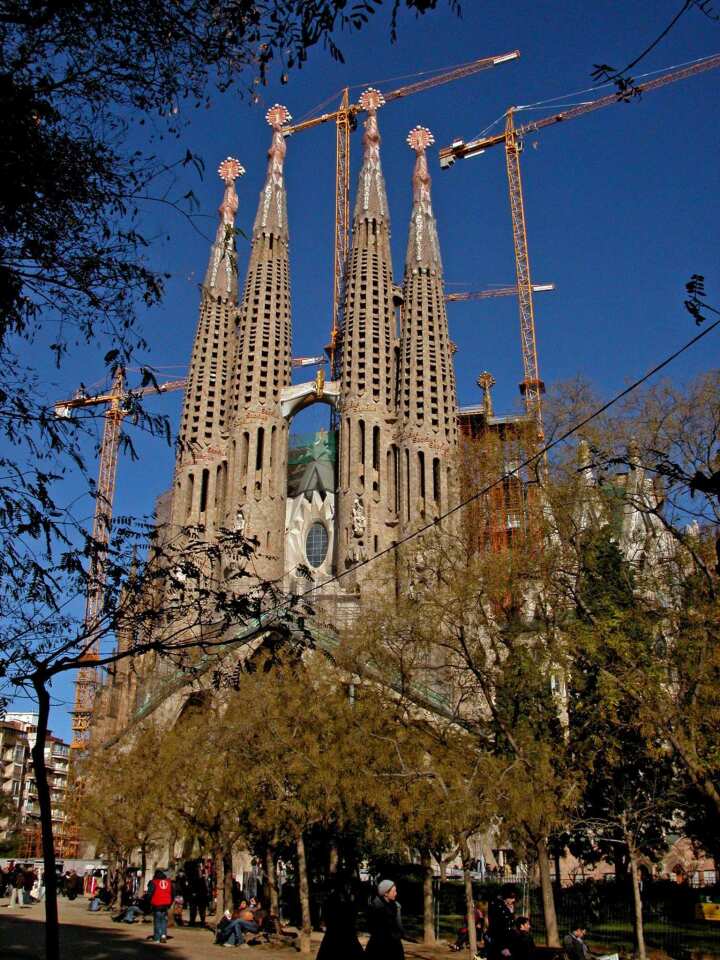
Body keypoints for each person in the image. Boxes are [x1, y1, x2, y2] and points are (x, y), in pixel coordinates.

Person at [316, 873, 364, 960]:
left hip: (341, 936)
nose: (349, 888)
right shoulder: (336, 899)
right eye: (348, 885)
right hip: (339, 936)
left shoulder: (341, 899)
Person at [365, 879, 404, 960]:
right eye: (394, 891)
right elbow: (371, 927)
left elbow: (399, 927)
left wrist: (399, 934)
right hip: (378, 948)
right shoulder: (375, 908)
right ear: (386, 893)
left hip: (396, 947)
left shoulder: (397, 907)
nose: (396, 894)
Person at [487, 884, 519, 960]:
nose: (513, 900)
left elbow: (510, 924)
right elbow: (495, 928)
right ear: (505, 896)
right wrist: (502, 947)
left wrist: (511, 912)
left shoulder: (507, 906)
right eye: (511, 897)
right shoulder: (496, 906)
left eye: (514, 897)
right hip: (498, 943)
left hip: (508, 941)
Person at [147, 868, 173, 944]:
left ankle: (157, 938)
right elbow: (172, 893)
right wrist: (170, 903)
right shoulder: (169, 882)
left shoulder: (154, 882)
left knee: (157, 921)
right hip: (166, 904)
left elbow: (150, 893)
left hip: (157, 903)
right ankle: (163, 935)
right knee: (164, 920)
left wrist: (149, 902)